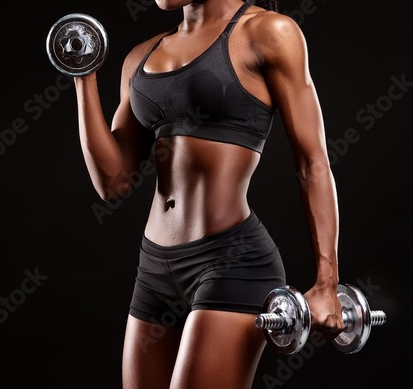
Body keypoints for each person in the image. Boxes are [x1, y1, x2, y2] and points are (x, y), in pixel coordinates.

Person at [74, 0, 345, 387]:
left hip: (231, 262)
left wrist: (326, 282)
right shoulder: (141, 56)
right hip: (154, 269)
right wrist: (83, 75)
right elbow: (113, 183)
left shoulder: (268, 33)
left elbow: (313, 161)